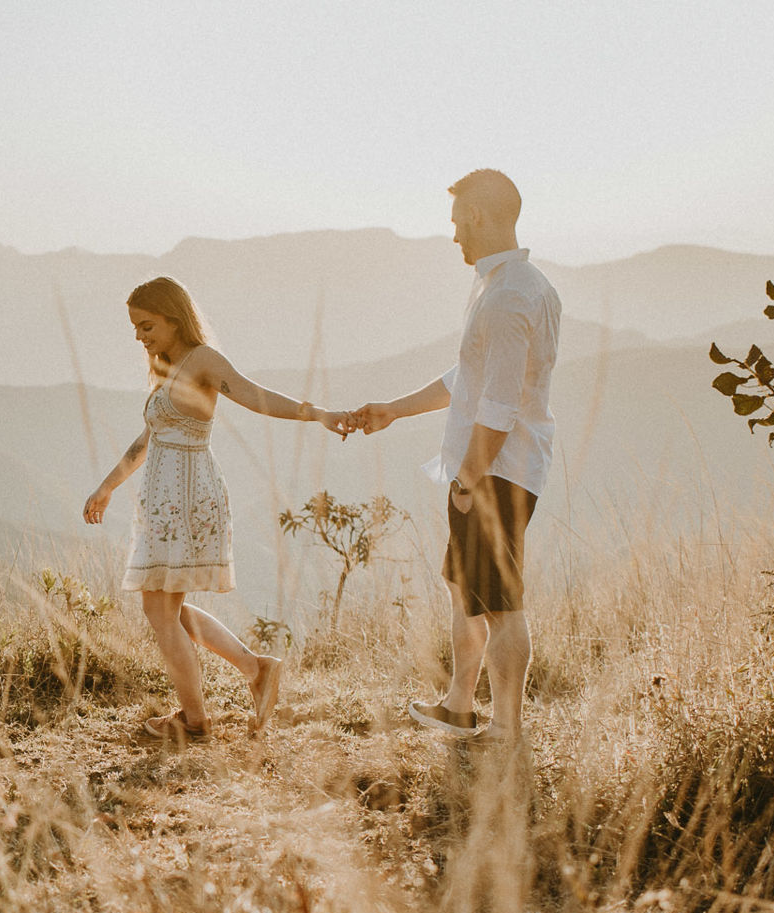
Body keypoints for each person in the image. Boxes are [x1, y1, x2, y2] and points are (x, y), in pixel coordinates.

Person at [346, 169, 561, 745]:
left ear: (483, 218)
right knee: (464, 589)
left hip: (496, 472)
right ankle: (459, 705)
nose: (455, 236)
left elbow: (500, 405)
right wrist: (394, 408)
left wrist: (468, 477)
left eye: (459, 223)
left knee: (499, 603)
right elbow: (468, 378)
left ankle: (506, 728)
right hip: (488, 468)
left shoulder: (510, 296)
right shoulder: (511, 285)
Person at [84, 276, 347, 741]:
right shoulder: (167, 365)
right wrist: (106, 487)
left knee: (161, 611)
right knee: (169, 608)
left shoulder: (202, 360)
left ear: (173, 317)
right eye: (135, 329)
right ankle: (256, 670)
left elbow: (256, 396)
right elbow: (150, 437)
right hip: (164, 498)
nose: (140, 337)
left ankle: (194, 722)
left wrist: (317, 413)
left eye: (147, 326)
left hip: (187, 496)